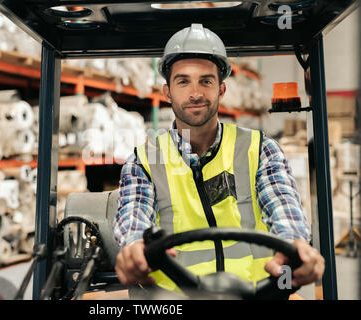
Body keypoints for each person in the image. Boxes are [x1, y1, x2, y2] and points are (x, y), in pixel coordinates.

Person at [113, 24, 325, 297]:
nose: (196, 93)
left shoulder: (259, 148)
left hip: (257, 293)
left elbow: (284, 209)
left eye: (206, 81)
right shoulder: (145, 159)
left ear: (221, 89)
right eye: (183, 81)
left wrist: (295, 245)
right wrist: (133, 249)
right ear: (167, 92)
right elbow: (134, 221)